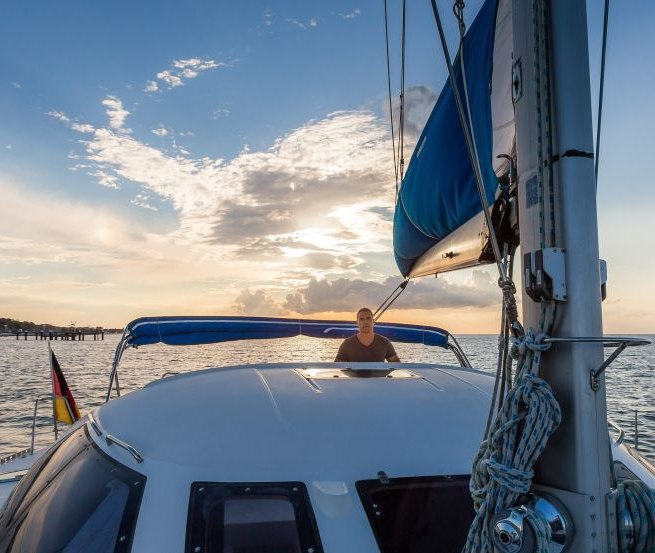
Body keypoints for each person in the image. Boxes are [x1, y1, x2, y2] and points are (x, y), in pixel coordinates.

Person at [334, 307, 401, 362]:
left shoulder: (385, 342)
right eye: (362, 319)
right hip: (355, 378)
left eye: (368, 318)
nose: (365, 322)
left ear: (373, 321)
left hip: (378, 378)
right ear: (357, 322)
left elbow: (398, 367)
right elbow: (335, 369)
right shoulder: (347, 344)